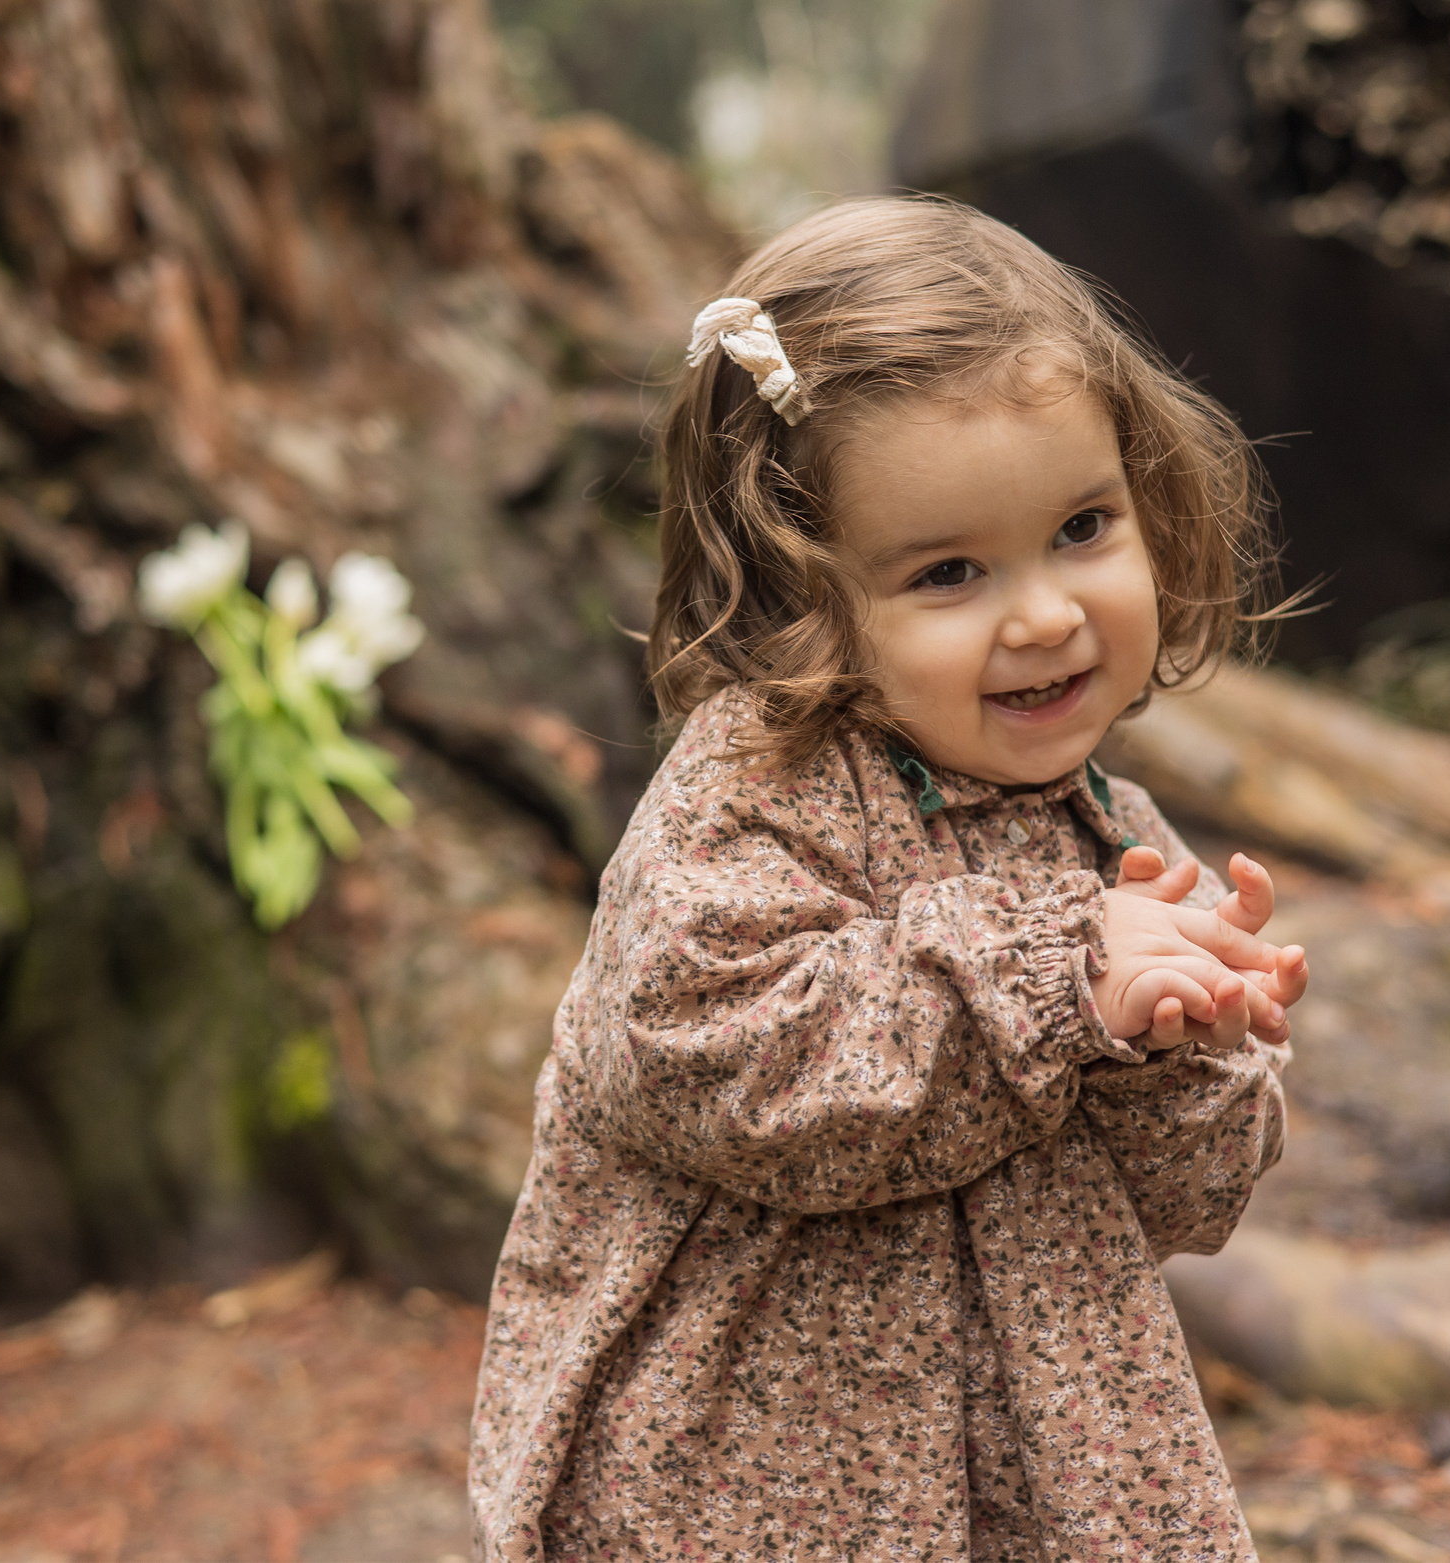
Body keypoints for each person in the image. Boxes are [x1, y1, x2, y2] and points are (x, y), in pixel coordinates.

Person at [467, 197, 1311, 1561]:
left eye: (1084, 527)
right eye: (949, 572)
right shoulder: (749, 799)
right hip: (749, 1480)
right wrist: (1055, 980)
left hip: (1042, 1470)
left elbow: (1185, 1206)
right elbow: (729, 1063)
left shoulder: (1113, 833)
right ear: (800, 592)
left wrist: (1179, 1044)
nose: (1044, 613)